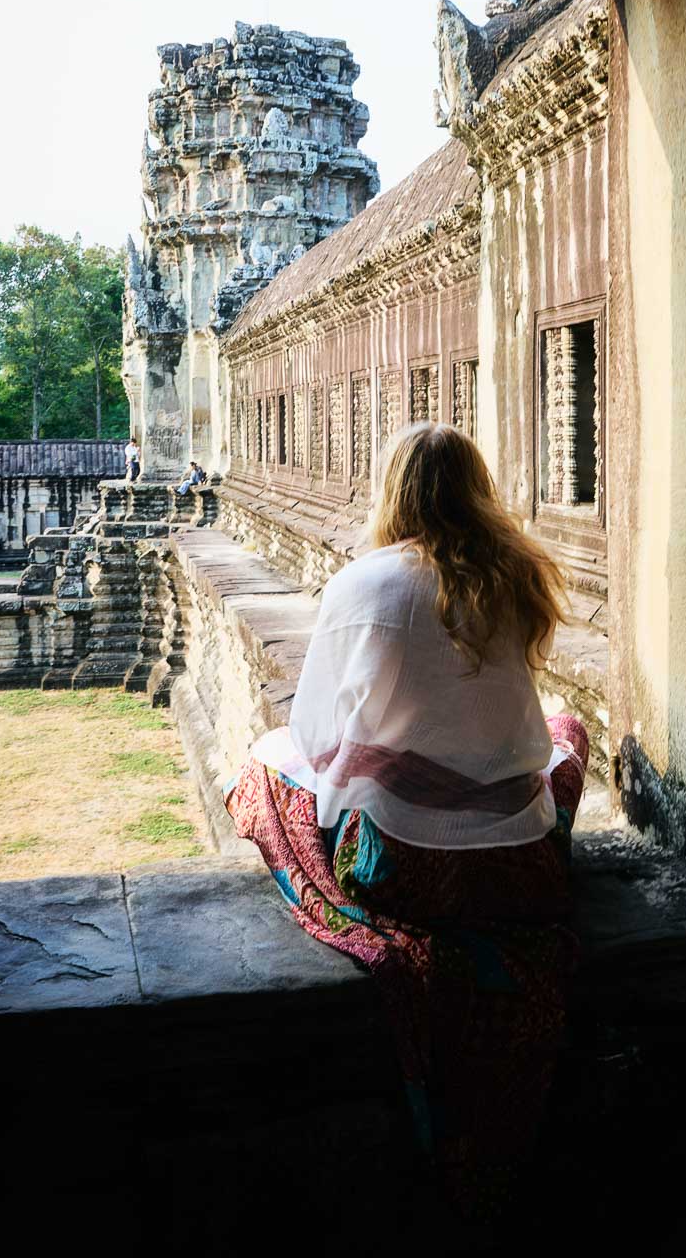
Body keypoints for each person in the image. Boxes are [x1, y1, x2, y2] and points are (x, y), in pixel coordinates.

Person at [225, 420, 588, 1216]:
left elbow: (317, 737)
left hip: (403, 871)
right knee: (568, 732)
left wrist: (381, 754)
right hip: (519, 866)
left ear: (392, 490)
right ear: (476, 489)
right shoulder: (520, 572)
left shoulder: (366, 584)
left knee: (266, 764)